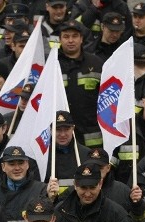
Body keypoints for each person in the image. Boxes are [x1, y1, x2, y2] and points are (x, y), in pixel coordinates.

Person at [56, 20, 104, 148]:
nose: (70, 40)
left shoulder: (96, 64)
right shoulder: (52, 65)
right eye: (66, 36)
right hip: (60, 133)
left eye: (75, 36)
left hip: (91, 134)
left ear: (81, 39)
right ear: (60, 39)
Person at [0, 146, 49, 222]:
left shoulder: (42, 190)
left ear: (27, 165)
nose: (17, 168)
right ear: (3, 167)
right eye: (12, 164)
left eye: (21, 163)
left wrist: (53, 199)